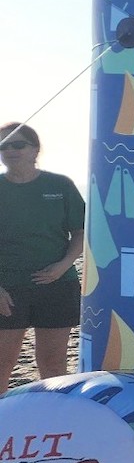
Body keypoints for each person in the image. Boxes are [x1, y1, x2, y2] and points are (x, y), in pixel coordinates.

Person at [1, 123, 86, 391]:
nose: (10, 150)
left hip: (57, 285)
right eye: (4, 145)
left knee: (53, 366)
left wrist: (63, 266)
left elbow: (81, 232)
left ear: (35, 149)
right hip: (8, 289)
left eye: (18, 144)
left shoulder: (60, 185)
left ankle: (52, 427)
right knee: (3, 365)